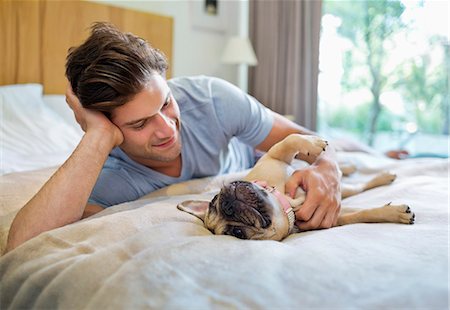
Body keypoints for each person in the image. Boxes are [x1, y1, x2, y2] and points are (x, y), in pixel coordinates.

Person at [6, 23, 341, 252]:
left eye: (166, 102)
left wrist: (329, 169)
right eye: (139, 124)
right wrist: (97, 137)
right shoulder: (108, 175)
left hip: (260, 163)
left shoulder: (211, 98)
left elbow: (309, 140)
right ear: (105, 125)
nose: (167, 129)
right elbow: (23, 248)